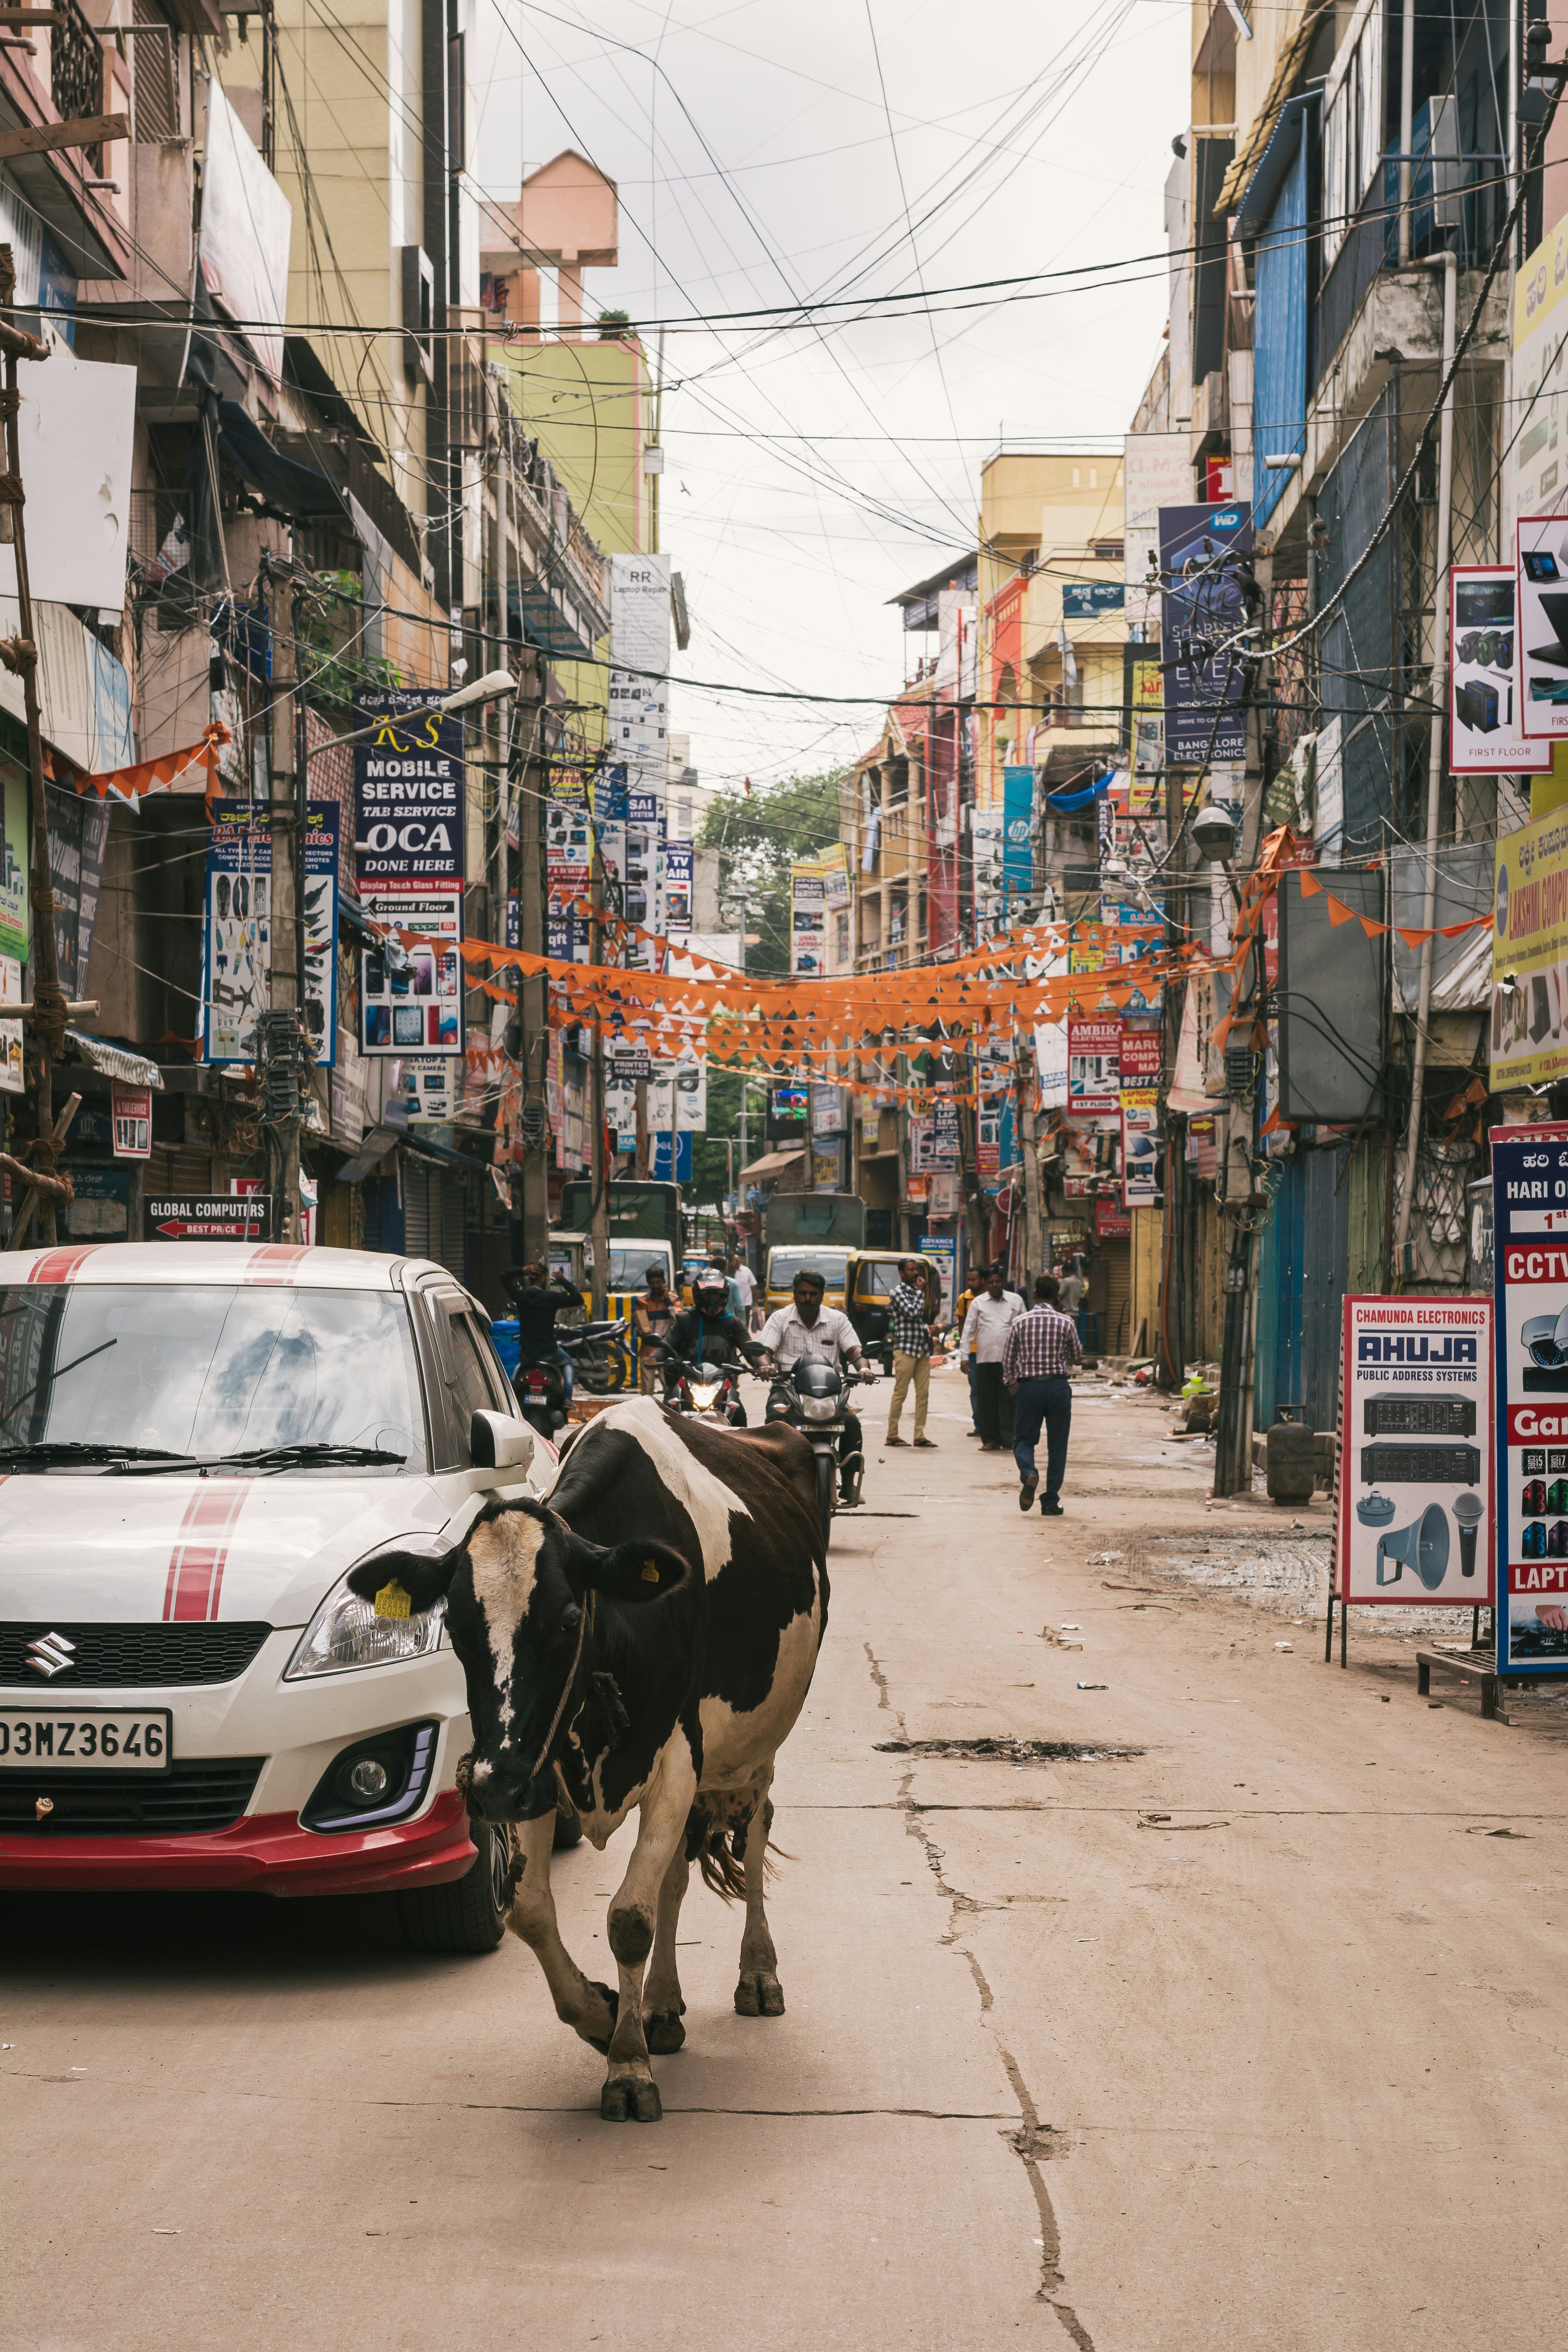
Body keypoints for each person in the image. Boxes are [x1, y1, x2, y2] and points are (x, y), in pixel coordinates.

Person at [757, 1267, 875, 1503]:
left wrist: (863, 1368)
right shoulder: (780, 1318)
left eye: (813, 1294)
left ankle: (849, 1484)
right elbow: (764, 1351)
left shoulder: (837, 1319)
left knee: (851, 1421)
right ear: (794, 1293)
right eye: (802, 1293)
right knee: (774, 1419)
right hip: (787, 1387)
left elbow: (855, 1350)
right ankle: (772, 1481)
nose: (807, 1299)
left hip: (830, 1390)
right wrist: (765, 1366)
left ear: (822, 1295)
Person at [1004, 1272, 1083, 1515]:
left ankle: (1029, 1472)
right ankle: (1050, 1501)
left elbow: (1008, 1359)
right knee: (1058, 1446)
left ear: (1035, 1294)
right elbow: (1077, 1356)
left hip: (1029, 1387)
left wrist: (1011, 1382)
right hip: (1058, 1387)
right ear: (1057, 1296)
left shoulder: (1020, 1322)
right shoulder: (1066, 1322)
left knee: (1024, 1441)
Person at [665, 1267, 767, 1418]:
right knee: (665, 1413)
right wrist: (655, 1357)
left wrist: (763, 1365)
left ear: (724, 1295)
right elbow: (667, 1346)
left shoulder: (733, 1322)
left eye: (716, 1294)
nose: (712, 1298)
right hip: (687, 1384)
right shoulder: (684, 1321)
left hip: (723, 1386)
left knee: (739, 1415)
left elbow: (749, 1347)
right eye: (708, 1294)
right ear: (699, 1295)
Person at [960, 1264, 1025, 1453]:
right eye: (991, 1282)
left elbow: (1024, 1327)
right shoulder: (978, 1303)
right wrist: (964, 1356)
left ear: (1002, 1281)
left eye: (998, 1281)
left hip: (1010, 1360)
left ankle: (1009, 1439)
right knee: (987, 1401)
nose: (995, 1285)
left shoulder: (1016, 1300)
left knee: (1009, 1400)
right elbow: (969, 1330)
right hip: (985, 1359)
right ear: (985, 1284)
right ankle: (990, 1440)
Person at [504, 1261, 584, 1402]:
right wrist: (563, 1281)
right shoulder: (551, 1298)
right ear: (543, 1278)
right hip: (550, 1352)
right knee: (567, 1363)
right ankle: (567, 1398)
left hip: (527, 1354)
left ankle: (509, 1401)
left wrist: (522, 1270)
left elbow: (504, 1277)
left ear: (529, 1277)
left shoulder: (521, 1297)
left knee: (517, 1370)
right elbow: (578, 1299)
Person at [885, 1257, 939, 1449]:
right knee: (901, 1393)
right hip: (906, 1350)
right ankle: (892, 1435)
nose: (915, 1273)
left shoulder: (915, 1293)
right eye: (911, 1270)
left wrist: (927, 1328)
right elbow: (912, 1312)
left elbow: (916, 1321)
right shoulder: (898, 1293)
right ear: (902, 1273)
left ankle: (919, 1435)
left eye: (916, 1269)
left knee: (923, 1394)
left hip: (921, 1350)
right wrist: (921, 1293)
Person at [633, 1264, 677, 1395]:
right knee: (647, 1390)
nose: (656, 1286)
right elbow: (638, 1327)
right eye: (653, 1283)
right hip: (648, 1349)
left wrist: (668, 1300)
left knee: (670, 1388)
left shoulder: (674, 1300)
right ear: (648, 1283)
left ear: (664, 1282)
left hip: (668, 1349)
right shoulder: (642, 1302)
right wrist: (642, 1332)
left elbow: (678, 1321)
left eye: (659, 1282)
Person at [952, 1276, 981, 1435]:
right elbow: (962, 1326)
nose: (971, 1283)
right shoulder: (964, 1299)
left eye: (974, 1279)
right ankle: (979, 1424)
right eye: (968, 1280)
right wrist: (964, 1353)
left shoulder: (989, 1299)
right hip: (973, 1352)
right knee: (975, 1389)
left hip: (993, 1353)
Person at [1056, 1259, 1087, 1336]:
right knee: (1072, 1338)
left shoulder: (1067, 1281)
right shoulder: (1079, 1282)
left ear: (1067, 1272)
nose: (1063, 1275)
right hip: (1076, 1315)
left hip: (1066, 1314)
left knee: (1063, 1338)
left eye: (1063, 1273)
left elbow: (1059, 1296)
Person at [731, 1255, 759, 1327]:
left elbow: (753, 1285)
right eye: (735, 1260)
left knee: (745, 1323)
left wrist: (756, 1298)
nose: (736, 1262)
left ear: (740, 1261)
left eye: (737, 1260)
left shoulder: (746, 1270)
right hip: (733, 1304)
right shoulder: (730, 1272)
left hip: (746, 1303)